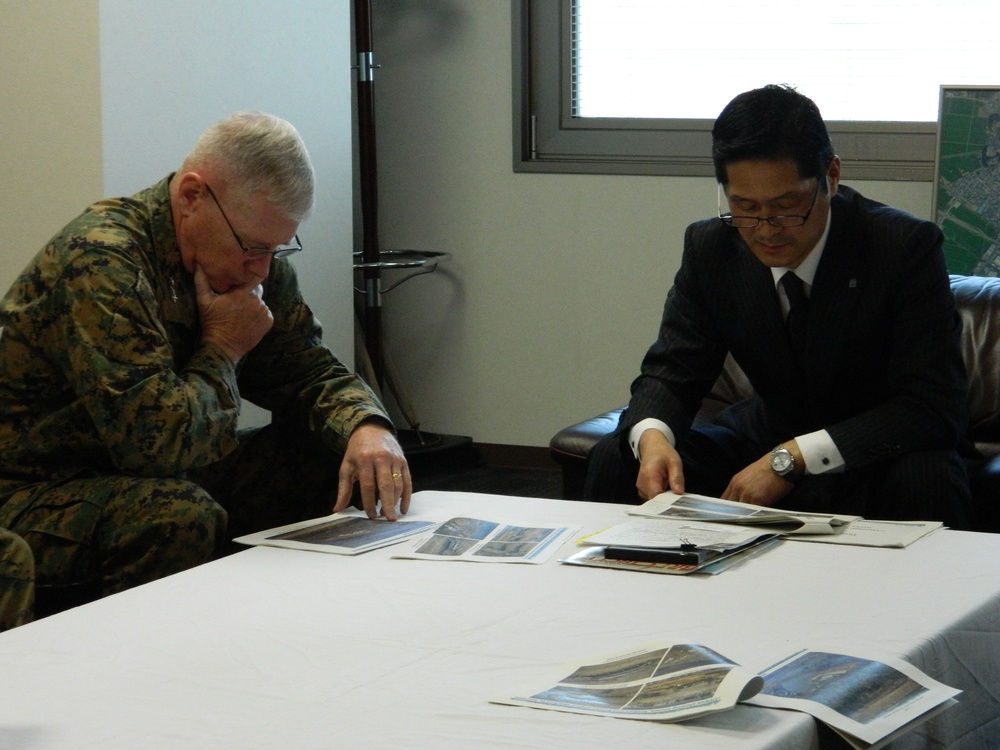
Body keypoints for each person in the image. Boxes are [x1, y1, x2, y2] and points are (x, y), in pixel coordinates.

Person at [0, 111, 411, 616]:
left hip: (158, 473)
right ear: (193, 196)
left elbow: (306, 370)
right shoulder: (102, 260)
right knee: (174, 517)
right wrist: (223, 347)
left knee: (343, 457)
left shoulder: (246, 264)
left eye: (277, 249)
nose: (261, 268)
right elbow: (156, 445)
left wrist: (367, 428)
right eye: (253, 247)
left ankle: (305, 624)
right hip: (37, 490)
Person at [585, 85, 974, 529]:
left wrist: (792, 458)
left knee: (926, 478)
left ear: (830, 175)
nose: (766, 230)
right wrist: (652, 438)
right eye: (744, 207)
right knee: (619, 455)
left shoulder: (902, 247)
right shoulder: (712, 248)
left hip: (875, 451)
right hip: (766, 433)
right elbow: (673, 371)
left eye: (786, 207)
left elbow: (931, 406)